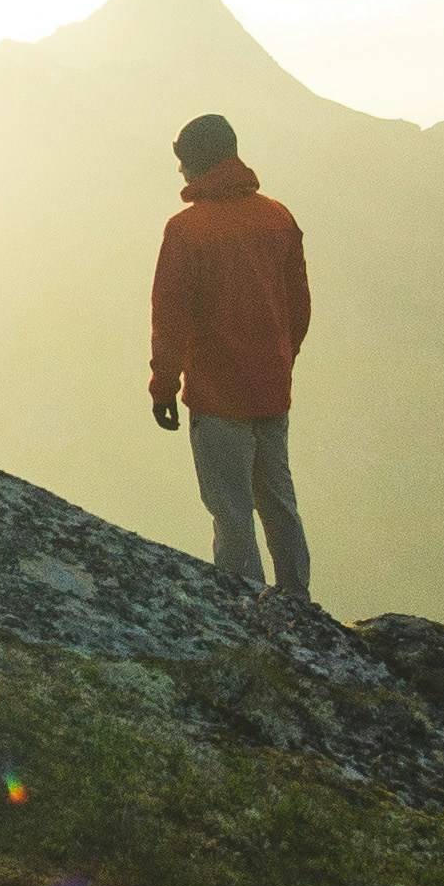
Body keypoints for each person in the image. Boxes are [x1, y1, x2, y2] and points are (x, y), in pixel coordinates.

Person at [148, 111, 313, 597]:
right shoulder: (277, 217)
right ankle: (298, 600)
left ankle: (246, 613)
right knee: (279, 502)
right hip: (272, 390)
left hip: (218, 397)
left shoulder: (186, 231)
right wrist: (280, 359)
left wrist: (164, 387)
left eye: (183, 161)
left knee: (232, 512)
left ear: (199, 161)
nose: (180, 171)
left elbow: (170, 317)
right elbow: (299, 306)